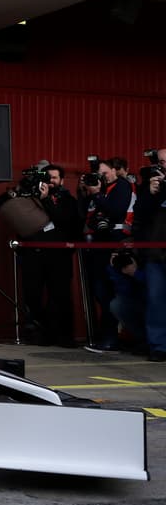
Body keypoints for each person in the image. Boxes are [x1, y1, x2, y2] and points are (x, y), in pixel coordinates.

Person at [7, 162, 83, 346]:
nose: (50, 182)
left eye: (54, 178)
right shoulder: (30, 199)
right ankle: (41, 334)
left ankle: (64, 336)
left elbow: (64, 220)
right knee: (33, 295)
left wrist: (47, 199)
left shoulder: (68, 200)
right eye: (46, 178)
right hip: (34, 255)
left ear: (62, 180)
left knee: (60, 296)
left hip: (59, 256)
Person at [78, 157, 133, 346]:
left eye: (105, 173)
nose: (102, 177)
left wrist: (98, 194)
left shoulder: (122, 186)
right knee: (100, 293)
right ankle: (106, 336)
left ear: (114, 170)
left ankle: (113, 337)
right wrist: (85, 192)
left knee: (113, 293)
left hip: (114, 245)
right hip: (95, 246)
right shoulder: (95, 191)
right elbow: (83, 214)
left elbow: (116, 211)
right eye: (98, 175)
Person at [131, 148, 166, 361]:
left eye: (165, 161)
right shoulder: (153, 184)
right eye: (160, 161)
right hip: (155, 253)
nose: (162, 165)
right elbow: (140, 213)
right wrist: (152, 193)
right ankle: (159, 346)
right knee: (156, 300)